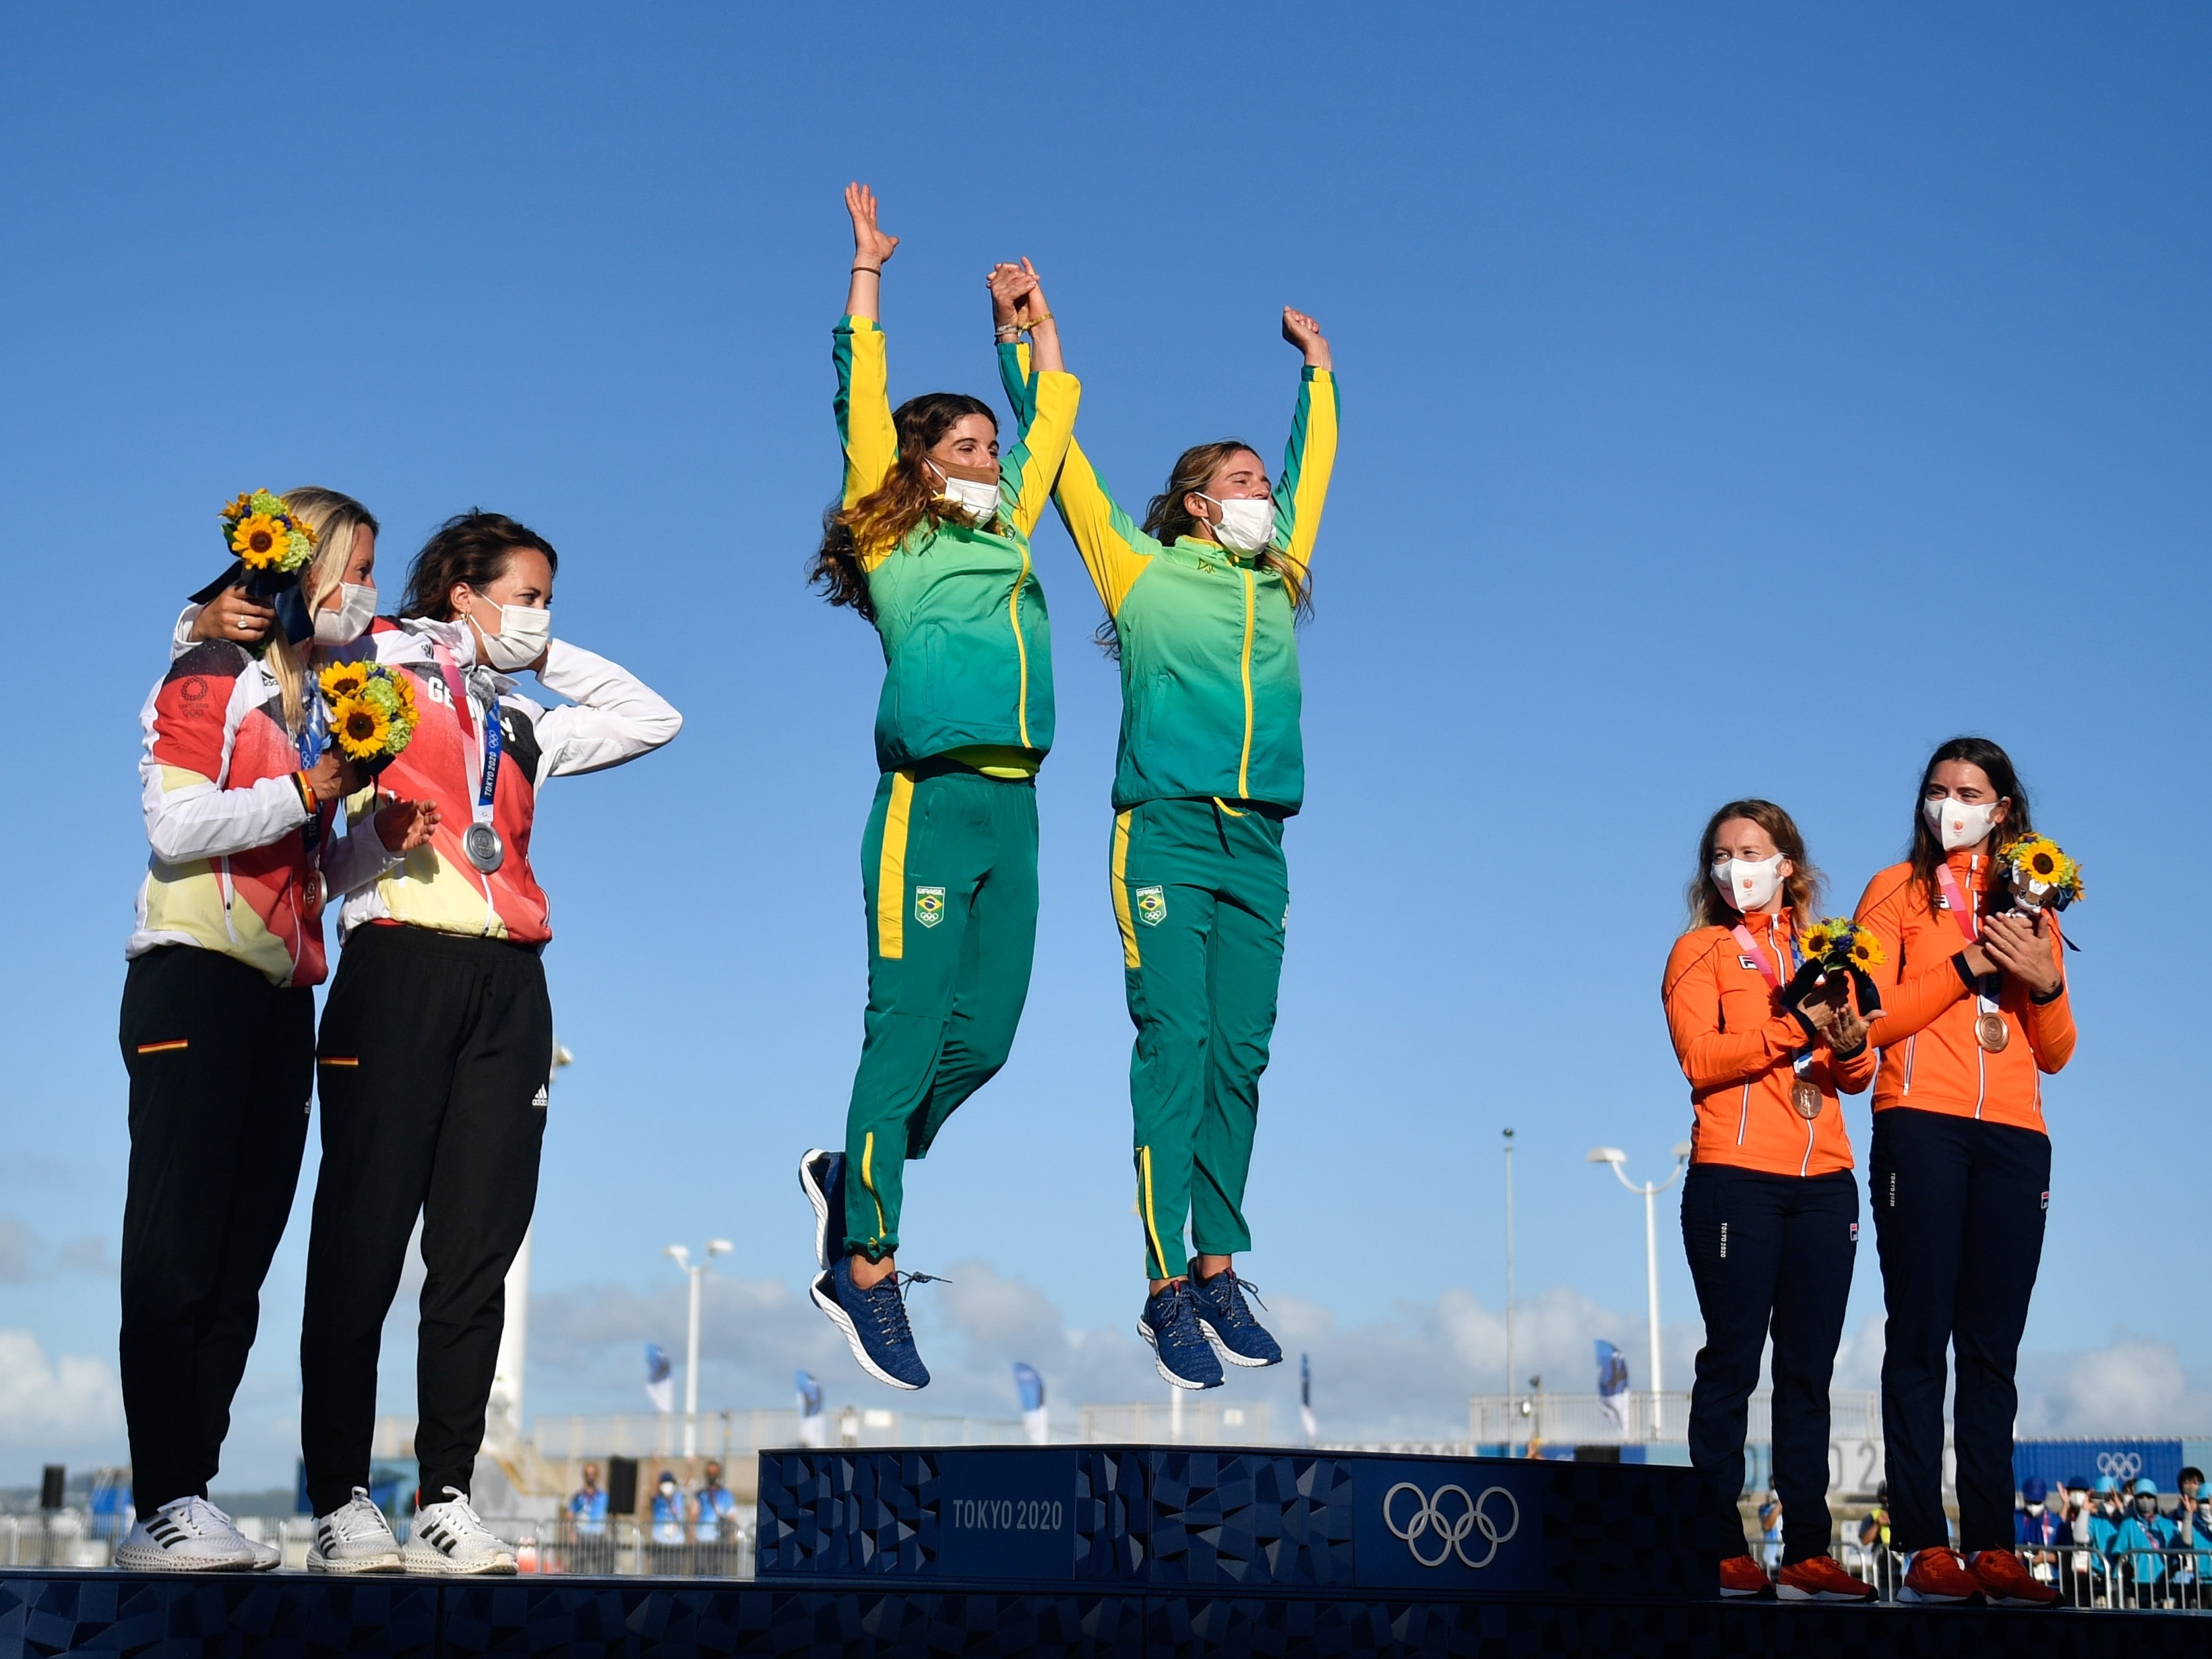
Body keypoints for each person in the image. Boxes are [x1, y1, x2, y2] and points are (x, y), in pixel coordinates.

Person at [297, 511, 681, 1575]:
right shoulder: (370, 655)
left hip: (511, 983)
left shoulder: (520, 717)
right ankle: (339, 1496)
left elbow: (653, 716)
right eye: (526, 593)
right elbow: (276, 637)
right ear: (461, 589)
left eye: (548, 598)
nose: (541, 613)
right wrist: (423, 635)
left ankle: (448, 1495)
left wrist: (533, 650)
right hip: (397, 963)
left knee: (475, 1255)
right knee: (364, 1241)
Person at [995, 270, 1337, 1391]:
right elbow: (1062, 472)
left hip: (1259, 845)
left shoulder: (1279, 579)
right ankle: (1161, 1284)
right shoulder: (1137, 571)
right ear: (1195, 501)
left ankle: (1219, 1260)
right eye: (1241, 483)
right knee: (1177, 1041)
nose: (1263, 495)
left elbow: (1313, 468)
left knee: (1243, 1053)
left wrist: (1317, 377)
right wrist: (1030, 338)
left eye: (1264, 485)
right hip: (1165, 835)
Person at [115, 489, 436, 1573]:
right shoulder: (209, 674)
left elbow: (301, 866)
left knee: (240, 1261)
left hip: (280, 996)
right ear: (305, 567)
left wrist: (373, 842)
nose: (367, 594)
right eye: (357, 569)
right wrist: (309, 788)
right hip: (192, 982)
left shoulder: (314, 705)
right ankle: (160, 1497)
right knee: (177, 1251)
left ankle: (189, 1495)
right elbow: (177, 823)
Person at [796, 185, 1078, 1392]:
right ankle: (864, 1258)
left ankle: (857, 1167)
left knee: (991, 1038)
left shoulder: (1011, 529)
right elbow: (861, 389)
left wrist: (1031, 332)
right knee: (905, 1028)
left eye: (991, 447)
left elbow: (1054, 417)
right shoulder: (891, 533)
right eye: (967, 446)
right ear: (919, 461)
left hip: (1013, 809)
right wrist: (867, 273)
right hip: (925, 799)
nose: (991, 458)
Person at [1854, 737, 2074, 1608]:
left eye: (1970, 792)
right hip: (1920, 1123)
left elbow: (2055, 1053)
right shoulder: (1895, 890)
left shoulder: (2032, 898)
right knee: (1919, 1337)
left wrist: (2044, 982)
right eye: (1938, 790)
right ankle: (1921, 1547)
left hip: (2015, 1135)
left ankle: (1992, 1546)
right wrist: (1964, 966)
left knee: (1992, 1348)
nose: (1951, 804)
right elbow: (1871, 1018)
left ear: (2004, 809)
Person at [1662, 801, 1877, 1602]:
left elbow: (1854, 1071)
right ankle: (1719, 1543)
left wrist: (1849, 1044)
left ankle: (1809, 1551)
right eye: (1720, 854)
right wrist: (1794, 1028)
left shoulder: (1829, 948)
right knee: (1732, 1364)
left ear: (1788, 862)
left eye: (1750, 851)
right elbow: (1701, 1058)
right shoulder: (1700, 949)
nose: (1733, 866)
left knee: (1808, 1373)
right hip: (1735, 1176)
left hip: (1826, 1179)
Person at [2110, 1478, 2178, 1604]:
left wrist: (2173, 1569)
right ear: (2135, 1500)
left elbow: (2180, 1554)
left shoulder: (2168, 1525)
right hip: (2137, 1583)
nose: (2145, 1500)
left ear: (2155, 1499)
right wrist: (2125, 1565)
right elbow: (2118, 1551)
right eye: (2141, 1497)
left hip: (2163, 1583)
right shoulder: (2128, 1524)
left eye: (2149, 1496)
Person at [694, 1460, 737, 1549]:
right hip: (703, 1541)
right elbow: (693, 1516)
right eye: (710, 1473)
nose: (712, 1475)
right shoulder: (700, 1494)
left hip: (721, 1541)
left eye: (715, 1472)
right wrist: (692, 1538)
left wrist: (732, 1538)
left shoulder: (726, 1495)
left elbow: (732, 1517)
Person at [648, 1471, 688, 1547]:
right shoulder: (657, 1499)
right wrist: (656, 1464)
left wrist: (690, 1467)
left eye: (669, 1483)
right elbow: (653, 1485)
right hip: (659, 1543)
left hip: (677, 1543)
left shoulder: (678, 1497)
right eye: (664, 1483)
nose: (667, 1486)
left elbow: (686, 1485)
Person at [568, 1464, 608, 1538]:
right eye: (588, 1474)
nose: (590, 1476)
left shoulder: (604, 1497)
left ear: (597, 1476)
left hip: (599, 1536)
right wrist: (571, 1533)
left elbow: (612, 1515)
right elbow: (570, 1515)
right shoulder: (577, 1497)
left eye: (593, 1473)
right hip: (581, 1536)